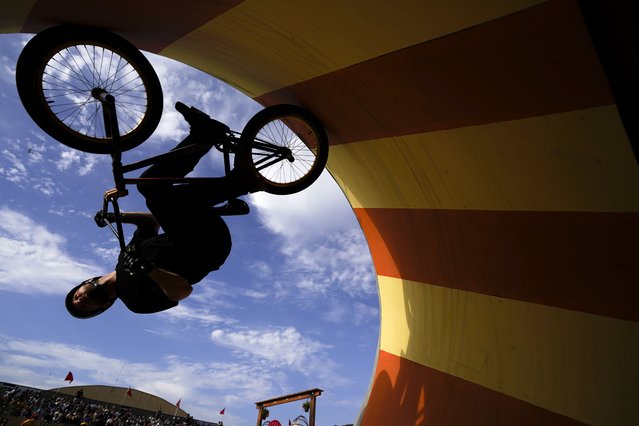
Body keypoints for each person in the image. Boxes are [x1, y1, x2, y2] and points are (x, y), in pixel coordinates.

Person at [65, 107, 254, 318]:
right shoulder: (135, 301)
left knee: (148, 185)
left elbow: (150, 223)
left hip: (190, 231)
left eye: (75, 298)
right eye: (83, 308)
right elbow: (183, 291)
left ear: (81, 285)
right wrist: (148, 269)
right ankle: (241, 181)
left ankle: (204, 135)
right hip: (206, 249)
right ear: (102, 308)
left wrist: (116, 217)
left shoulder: (124, 259)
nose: (80, 301)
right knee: (156, 195)